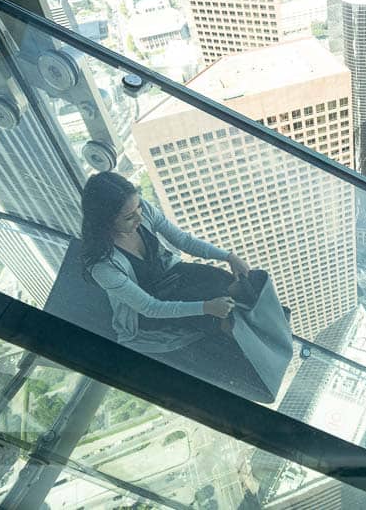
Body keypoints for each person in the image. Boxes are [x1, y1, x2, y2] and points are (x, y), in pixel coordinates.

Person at [81, 171, 270, 399]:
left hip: (170, 274)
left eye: (139, 207)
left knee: (224, 281)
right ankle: (255, 363)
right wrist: (206, 307)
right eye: (129, 217)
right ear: (105, 221)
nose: (139, 217)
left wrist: (229, 256)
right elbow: (150, 307)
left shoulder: (141, 212)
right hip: (150, 306)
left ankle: (262, 334)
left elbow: (183, 241)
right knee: (216, 314)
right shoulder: (103, 266)